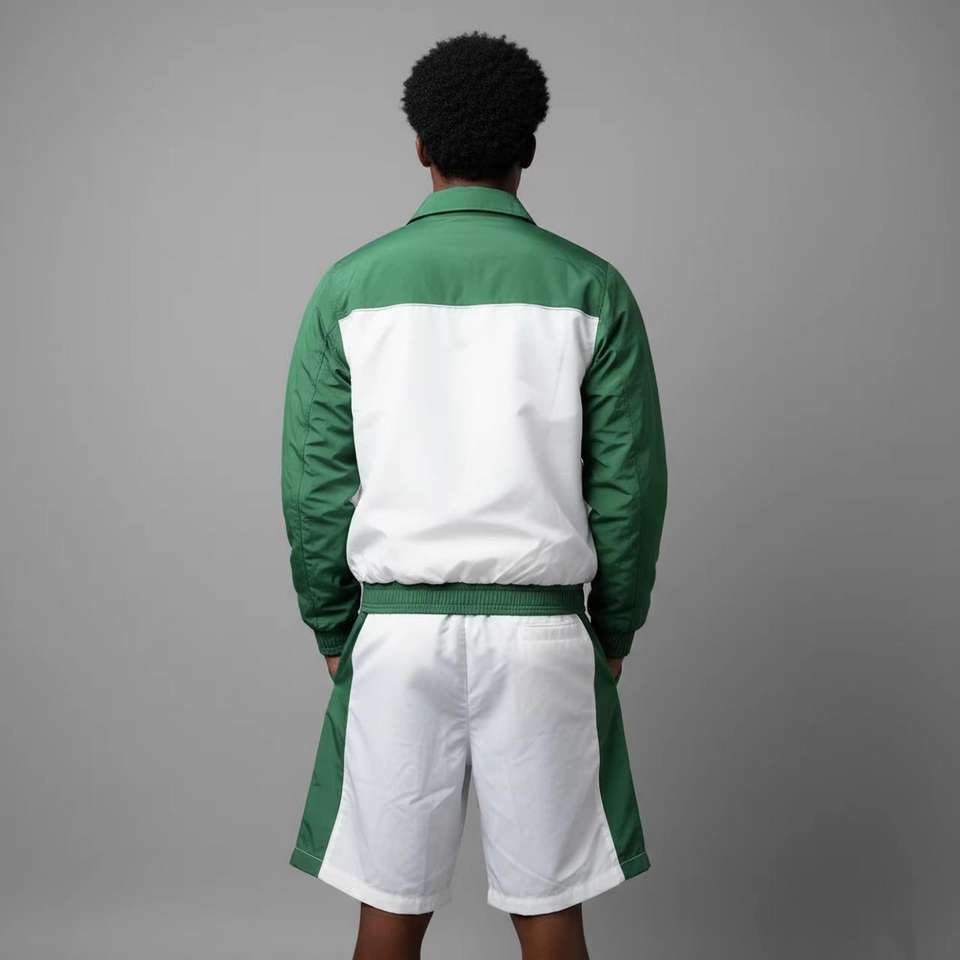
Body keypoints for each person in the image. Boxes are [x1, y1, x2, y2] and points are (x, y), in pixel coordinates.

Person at [280, 29, 668, 960]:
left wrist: (334, 626)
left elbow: (316, 486)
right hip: (542, 637)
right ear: (529, 148)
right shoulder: (592, 289)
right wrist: (613, 628)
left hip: (397, 636)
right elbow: (629, 489)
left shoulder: (348, 290)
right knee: (552, 917)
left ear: (420, 146)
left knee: (386, 917)